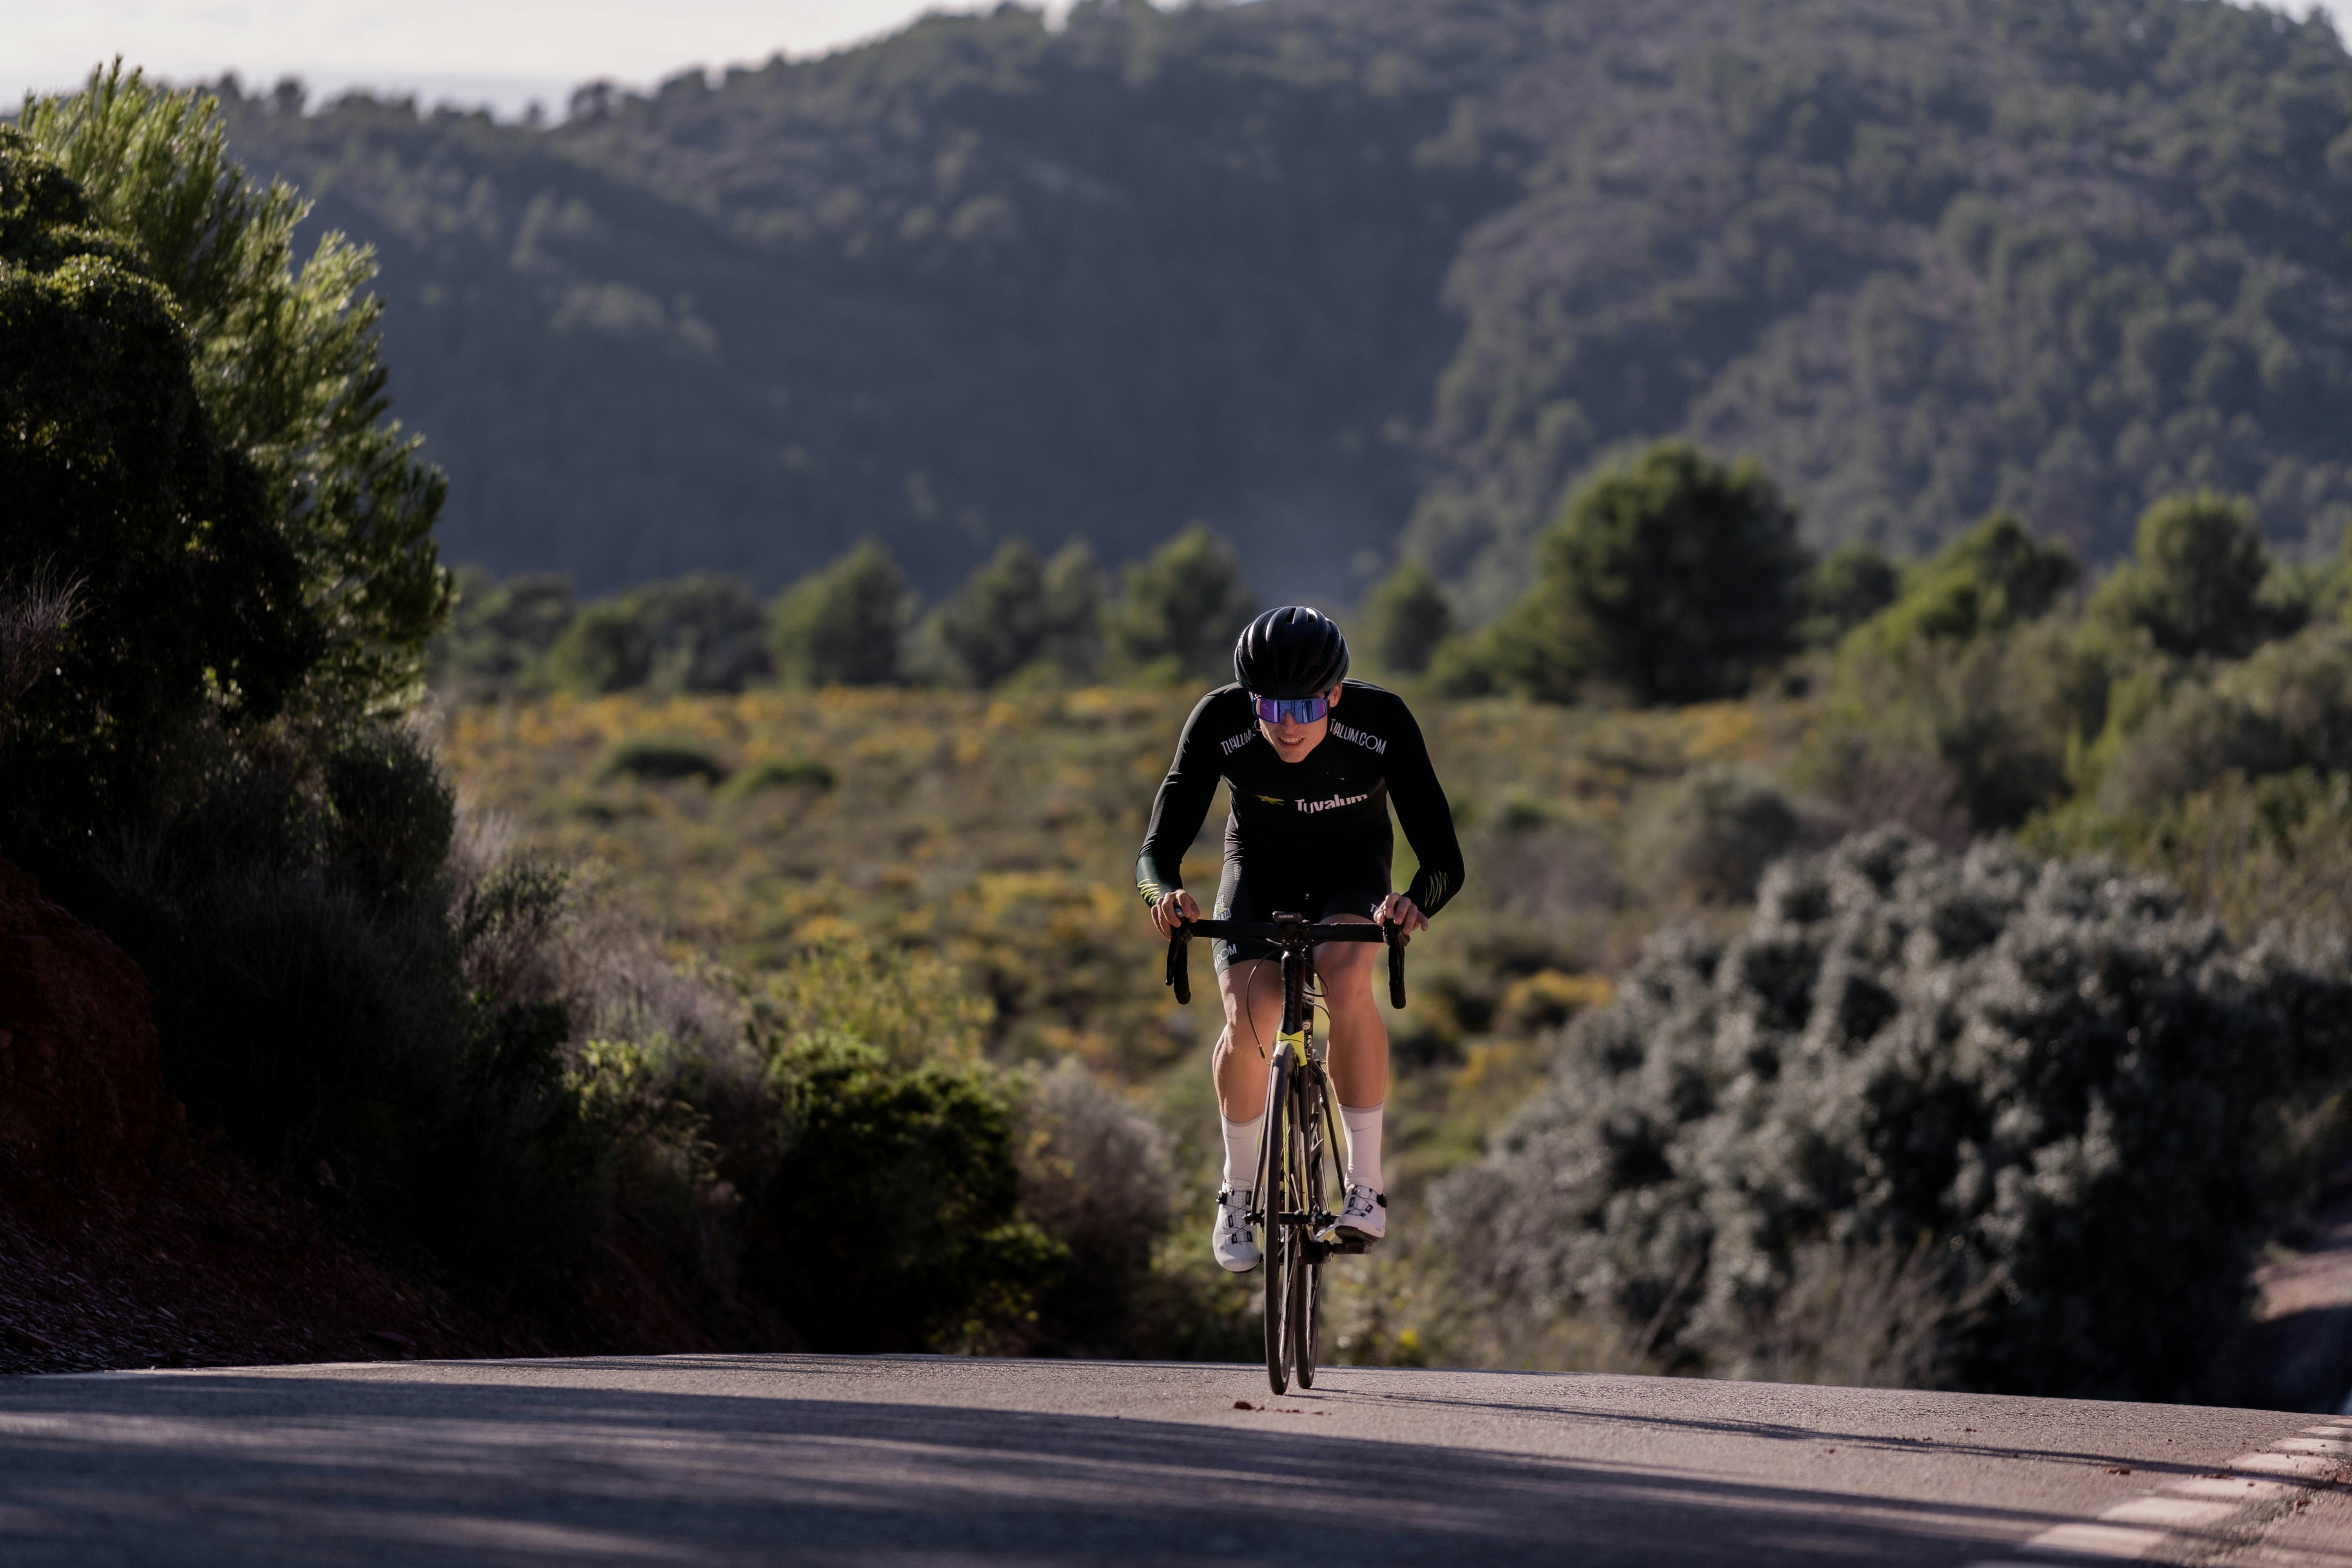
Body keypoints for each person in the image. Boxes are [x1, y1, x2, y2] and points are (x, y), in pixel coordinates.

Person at [1135, 605, 1465, 1272]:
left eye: (1307, 708)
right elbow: (1156, 854)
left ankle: (1366, 1186)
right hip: (1259, 866)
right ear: (1249, 699)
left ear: (1335, 696)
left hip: (1354, 870)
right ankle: (1237, 1191)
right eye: (1271, 706)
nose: (1287, 726)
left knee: (1346, 981)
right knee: (1249, 1015)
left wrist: (1412, 904)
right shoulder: (1219, 721)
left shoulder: (1382, 722)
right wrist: (1163, 896)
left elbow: (1444, 861)